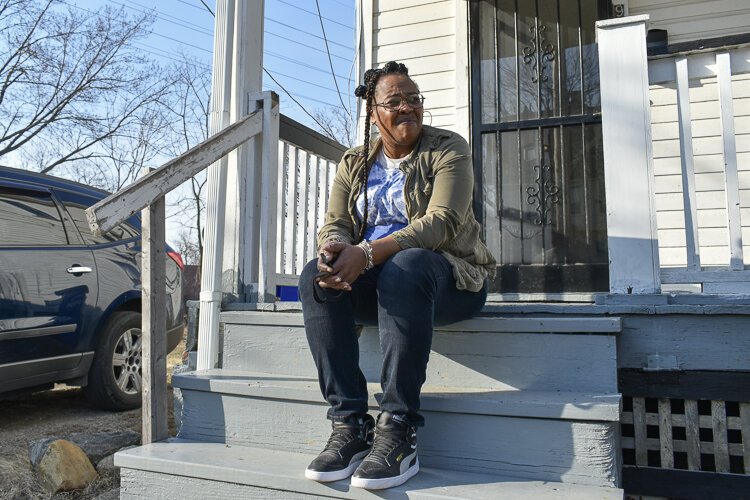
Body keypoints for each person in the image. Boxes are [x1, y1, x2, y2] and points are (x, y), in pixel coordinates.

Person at [298, 60, 496, 490]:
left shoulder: (448, 148)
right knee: (315, 274)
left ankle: (397, 430)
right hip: (381, 285)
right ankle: (349, 425)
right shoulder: (355, 162)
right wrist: (335, 251)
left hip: (449, 280)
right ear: (374, 114)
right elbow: (335, 222)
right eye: (394, 101)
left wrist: (367, 253)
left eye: (414, 99)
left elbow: (441, 221)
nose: (408, 107)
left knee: (407, 264)